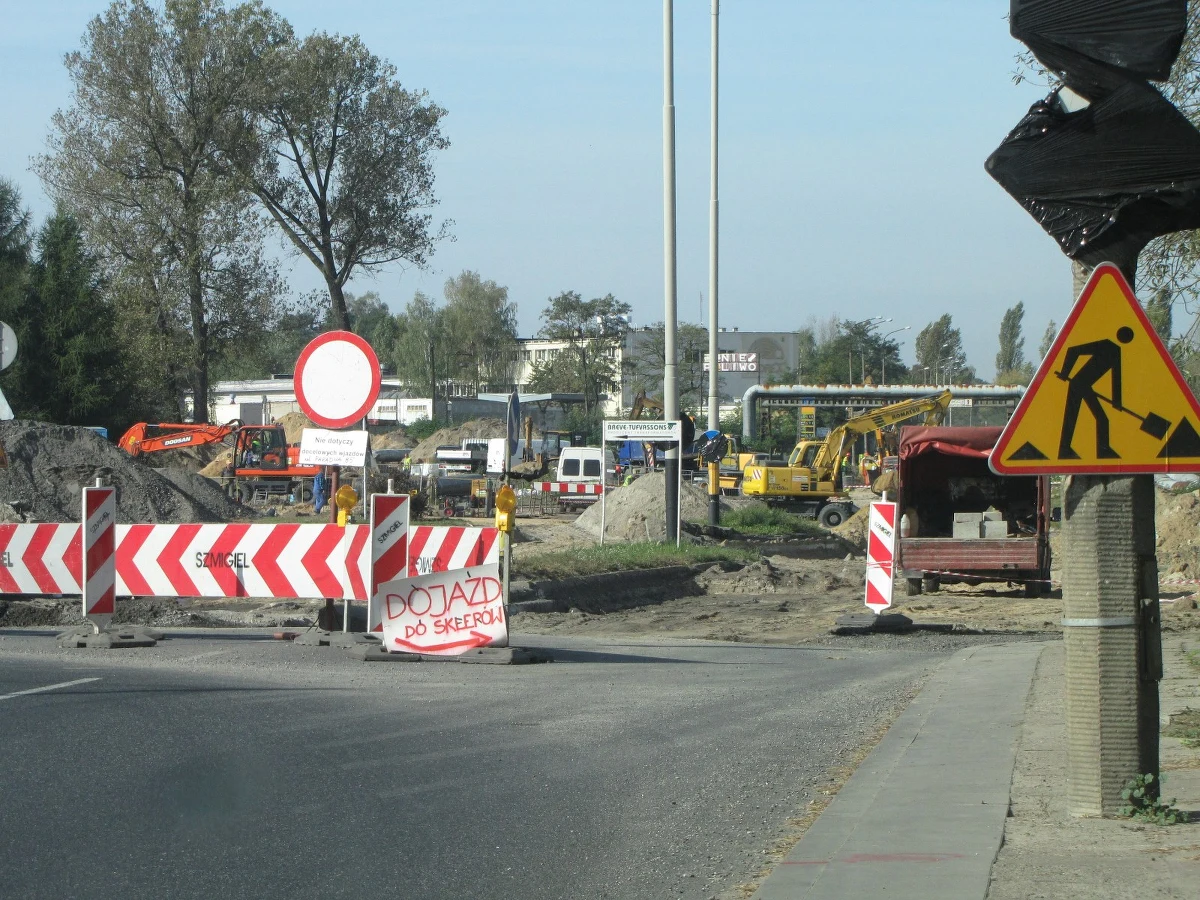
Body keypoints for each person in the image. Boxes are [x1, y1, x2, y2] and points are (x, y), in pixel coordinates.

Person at [1057, 326, 1133, 460]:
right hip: (1078, 385)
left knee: (1099, 419)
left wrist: (1117, 402)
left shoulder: (1116, 351)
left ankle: (1100, 451)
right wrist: (1065, 373)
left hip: (1084, 386)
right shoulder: (1106, 346)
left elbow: (1116, 378)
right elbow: (1073, 350)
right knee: (1073, 417)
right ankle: (1066, 451)